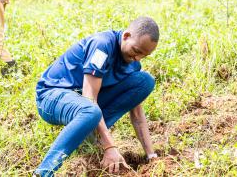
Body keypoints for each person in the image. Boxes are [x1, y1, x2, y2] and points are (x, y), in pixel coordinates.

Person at [35, 16, 159, 176]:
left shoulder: (133, 63)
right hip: (52, 96)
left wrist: (151, 155)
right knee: (90, 110)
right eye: (136, 51)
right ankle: (43, 172)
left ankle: (86, 136)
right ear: (126, 36)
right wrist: (110, 147)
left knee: (144, 81)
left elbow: (137, 115)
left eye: (144, 55)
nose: (137, 58)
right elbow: (89, 98)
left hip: (82, 104)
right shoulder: (102, 47)